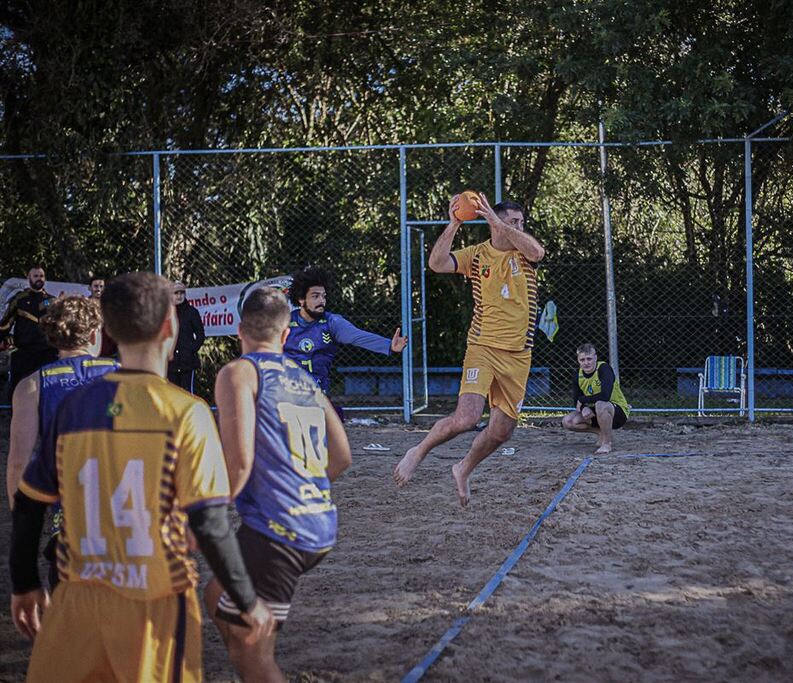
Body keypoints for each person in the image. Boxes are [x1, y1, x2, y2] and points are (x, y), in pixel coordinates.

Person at [9, 272, 274, 682]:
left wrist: (24, 583)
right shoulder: (186, 412)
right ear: (171, 326)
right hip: (154, 603)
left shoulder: (72, 408)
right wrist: (244, 597)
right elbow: (209, 522)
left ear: (109, 330)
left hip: (75, 600)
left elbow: (28, 502)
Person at [205, 287, 352, 682]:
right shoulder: (305, 381)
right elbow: (341, 457)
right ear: (286, 336)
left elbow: (238, 465)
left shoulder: (239, 373)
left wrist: (202, 517)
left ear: (239, 330)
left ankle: (253, 661)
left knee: (254, 651)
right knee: (216, 594)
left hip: (280, 529)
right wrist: (302, 484)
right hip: (318, 519)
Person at [393, 193, 545, 505]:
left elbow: (538, 251)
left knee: (502, 432)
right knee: (466, 418)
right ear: (497, 223)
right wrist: (453, 224)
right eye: (512, 222)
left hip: (518, 353)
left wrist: (498, 222)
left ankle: (463, 468)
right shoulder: (476, 255)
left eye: (521, 222)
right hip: (483, 347)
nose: (519, 227)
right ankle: (417, 451)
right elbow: (436, 263)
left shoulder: (523, 254)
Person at [6, 296, 119, 589]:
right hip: (122, 520)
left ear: (52, 336)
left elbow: (18, 463)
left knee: (71, 618)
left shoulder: (31, 386)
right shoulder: (125, 375)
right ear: (95, 335)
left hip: (68, 523)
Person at [283, 266, 407, 396]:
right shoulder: (284, 322)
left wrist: (389, 345)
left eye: (323, 296)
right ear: (301, 300)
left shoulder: (332, 323)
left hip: (317, 394)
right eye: (315, 296)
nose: (321, 301)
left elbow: (358, 336)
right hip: (285, 392)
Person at [1, 265, 57, 402]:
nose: (39, 279)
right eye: (36, 276)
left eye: (41, 276)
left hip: (47, 352)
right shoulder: (19, 299)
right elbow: (6, 324)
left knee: (48, 391)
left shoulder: (53, 301)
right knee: (17, 390)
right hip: (24, 352)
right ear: (29, 278)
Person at [561, 343, 630, 454]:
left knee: (600, 404)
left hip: (617, 412)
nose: (586, 363)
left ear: (595, 358)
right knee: (568, 421)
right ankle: (600, 432)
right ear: (578, 360)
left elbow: (605, 396)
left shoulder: (603, 368)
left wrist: (583, 401)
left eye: (589, 359)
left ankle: (607, 443)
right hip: (596, 412)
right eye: (582, 360)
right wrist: (583, 408)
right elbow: (576, 400)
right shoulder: (577, 375)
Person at [167, 280, 206, 393]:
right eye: (176, 293)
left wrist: (191, 349)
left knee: (187, 393)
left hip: (187, 363)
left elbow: (200, 334)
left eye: (181, 293)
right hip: (171, 363)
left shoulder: (192, 312)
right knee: (172, 393)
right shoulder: (166, 314)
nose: (179, 296)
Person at [89, 275, 118, 358]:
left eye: (101, 286)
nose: (98, 289)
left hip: (109, 349)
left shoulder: (111, 305)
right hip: (90, 349)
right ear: (89, 288)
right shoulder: (85, 305)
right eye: (95, 286)